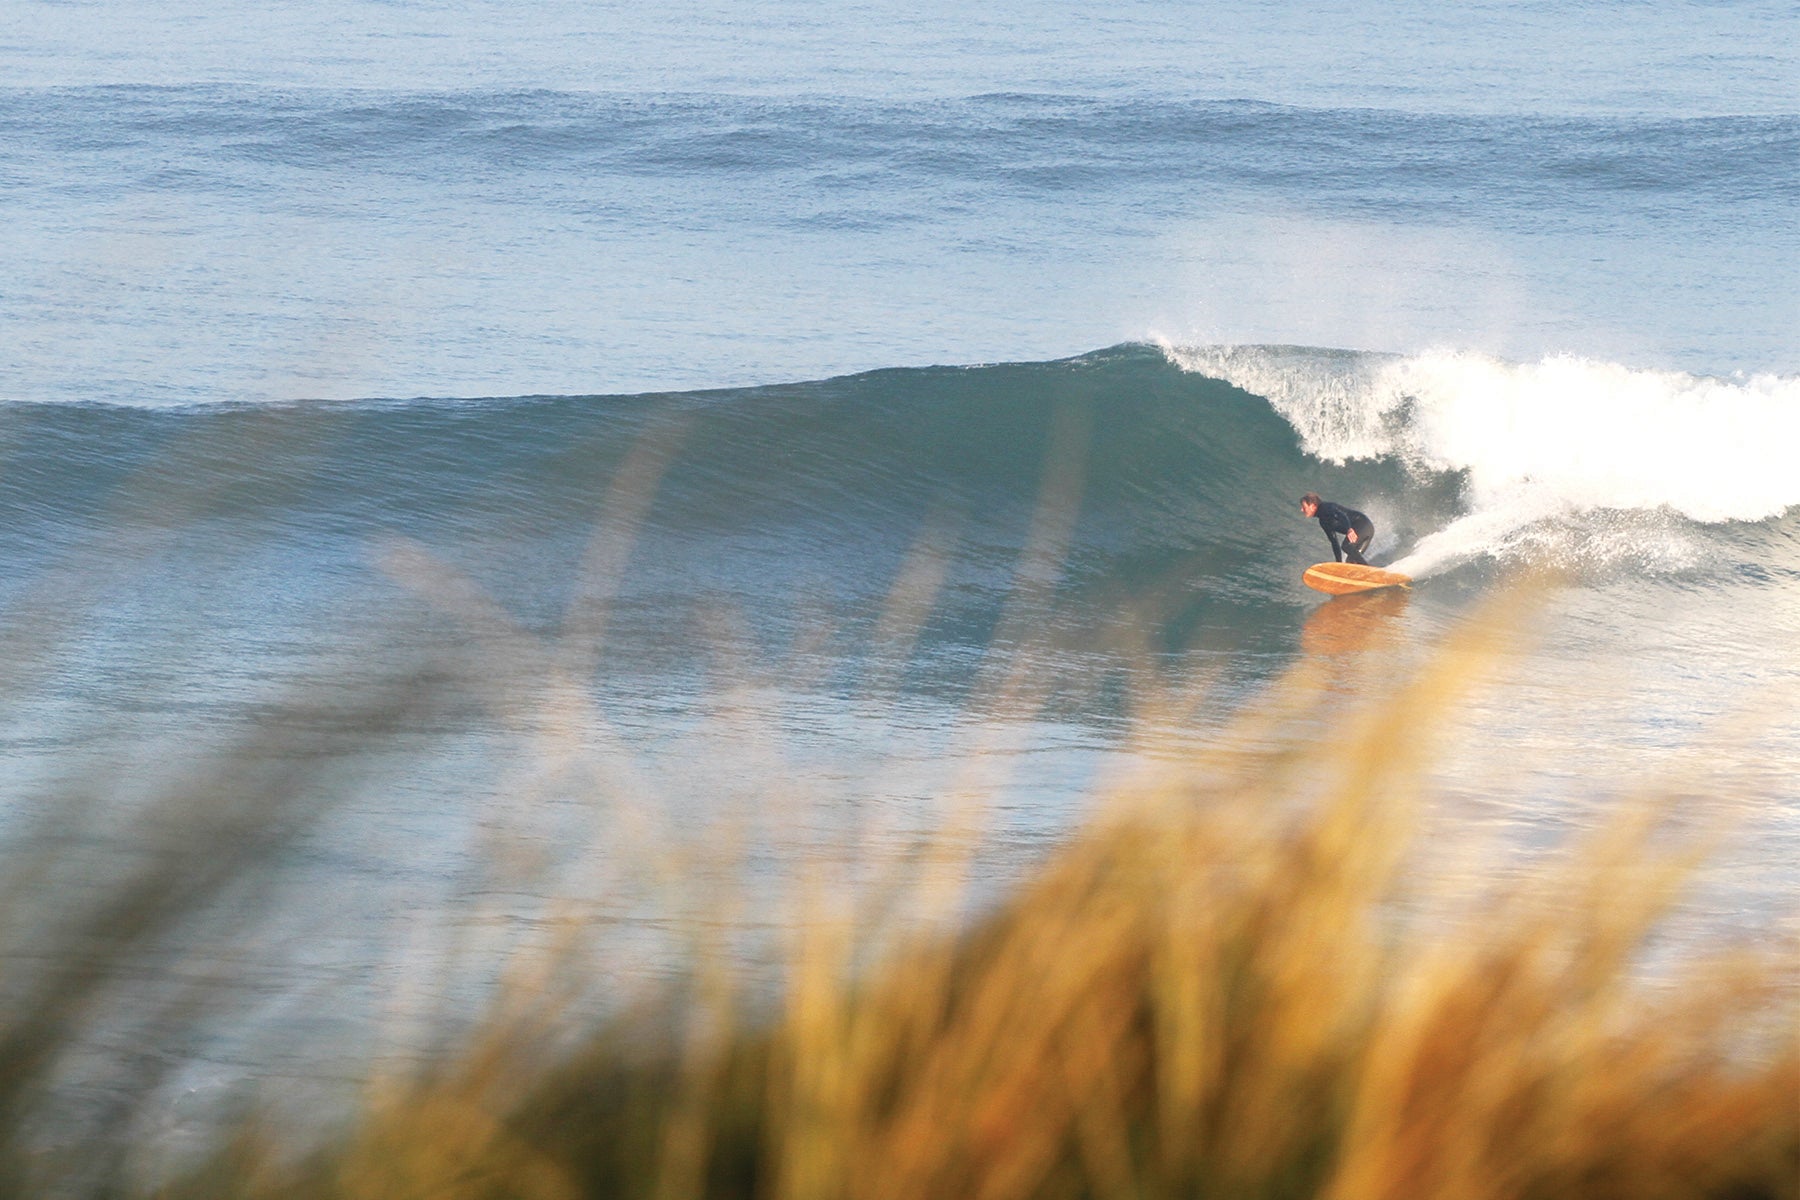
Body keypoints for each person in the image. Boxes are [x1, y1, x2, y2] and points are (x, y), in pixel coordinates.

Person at [1300, 493, 1374, 566]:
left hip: (1363, 524)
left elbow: (1342, 515)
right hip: (1365, 531)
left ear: (1313, 506)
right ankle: (1367, 574)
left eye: (1304, 507)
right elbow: (1334, 543)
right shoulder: (1323, 522)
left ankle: (1369, 568)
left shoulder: (1326, 507)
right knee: (1351, 562)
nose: (1301, 510)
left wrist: (1349, 529)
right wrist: (1338, 563)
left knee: (1346, 546)